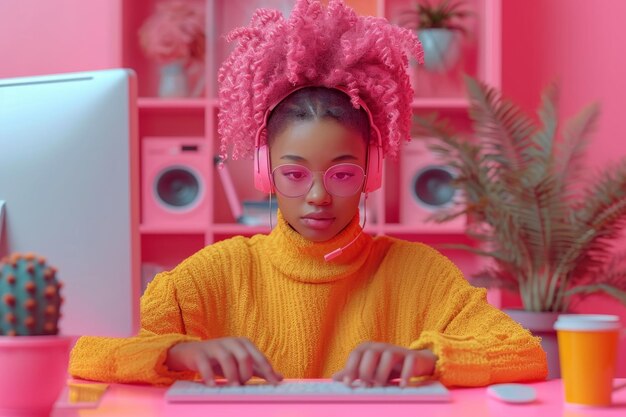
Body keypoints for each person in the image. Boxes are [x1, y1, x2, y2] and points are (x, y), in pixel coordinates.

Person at [69, 0, 547, 388]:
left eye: (341, 174)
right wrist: (178, 351)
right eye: (295, 175)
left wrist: (425, 358)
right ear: (265, 173)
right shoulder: (210, 276)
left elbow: (524, 353)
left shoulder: (419, 274)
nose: (318, 196)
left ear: (371, 171)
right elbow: (87, 350)